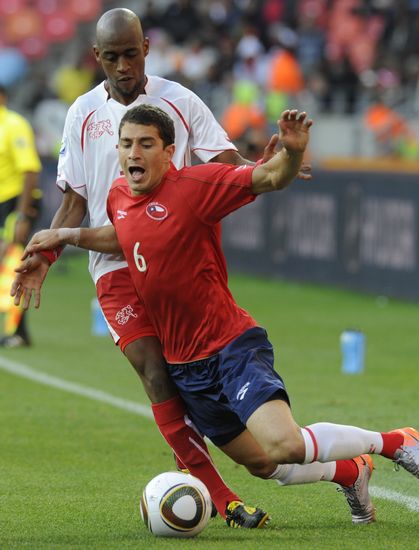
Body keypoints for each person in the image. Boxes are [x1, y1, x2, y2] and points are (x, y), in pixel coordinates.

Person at [16, 105, 419, 528]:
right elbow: (127, 235)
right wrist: (66, 235)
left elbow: (270, 177)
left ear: (169, 152)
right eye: (126, 144)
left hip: (230, 346)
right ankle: (352, 472)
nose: (133, 153)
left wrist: (293, 153)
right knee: (263, 464)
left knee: (284, 445)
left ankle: (395, 442)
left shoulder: (197, 186)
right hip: (186, 368)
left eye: (146, 144)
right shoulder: (118, 195)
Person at [9, 6, 305, 527]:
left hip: (177, 258)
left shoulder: (181, 101)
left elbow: (224, 165)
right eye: (112, 57)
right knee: (154, 371)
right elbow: (75, 200)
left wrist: (273, 167)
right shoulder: (82, 113)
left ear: (146, 48)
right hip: (113, 266)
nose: (124, 66)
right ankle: (222, 498)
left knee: (193, 386)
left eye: (131, 54)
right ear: (96, 56)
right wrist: (46, 254)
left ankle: (321, 464)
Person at [0, 84, 41, 348]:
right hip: (3, 203)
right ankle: (18, 331)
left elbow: (30, 170)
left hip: (17, 203)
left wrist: (23, 216)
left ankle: (16, 331)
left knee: (15, 265)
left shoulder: (14, 125)